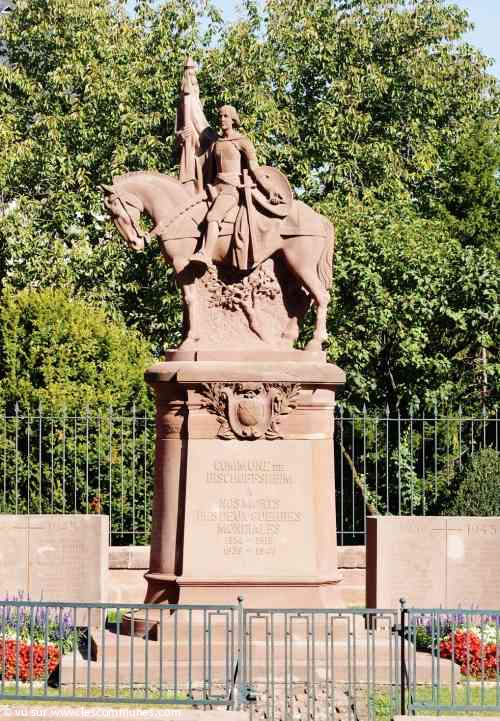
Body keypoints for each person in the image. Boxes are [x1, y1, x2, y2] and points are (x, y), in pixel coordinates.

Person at [189, 104, 282, 268]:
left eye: (225, 116)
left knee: (213, 217)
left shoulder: (242, 142)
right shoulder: (216, 143)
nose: (222, 119)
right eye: (220, 116)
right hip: (214, 189)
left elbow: (255, 168)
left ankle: (206, 254)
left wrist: (270, 189)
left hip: (231, 190)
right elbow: (204, 163)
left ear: (233, 119)